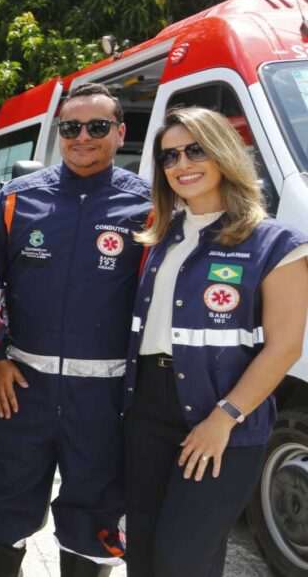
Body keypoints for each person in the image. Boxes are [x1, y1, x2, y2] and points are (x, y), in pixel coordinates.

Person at [0, 83, 150, 577]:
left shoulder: (148, 207)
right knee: (5, 506)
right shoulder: (17, 200)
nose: (83, 137)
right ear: (59, 134)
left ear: (120, 132)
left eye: (97, 127)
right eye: (71, 128)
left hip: (103, 395)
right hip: (22, 388)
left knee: (93, 515)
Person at [124, 106, 308, 576]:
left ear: (224, 152)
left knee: (180, 558)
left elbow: (285, 346)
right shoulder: (161, 236)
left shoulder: (276, 242)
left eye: (195, 150)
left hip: (222, 418)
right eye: (169, 157)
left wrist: (223, 419)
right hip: (149, 410)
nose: (181, 165)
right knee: (143, 554)